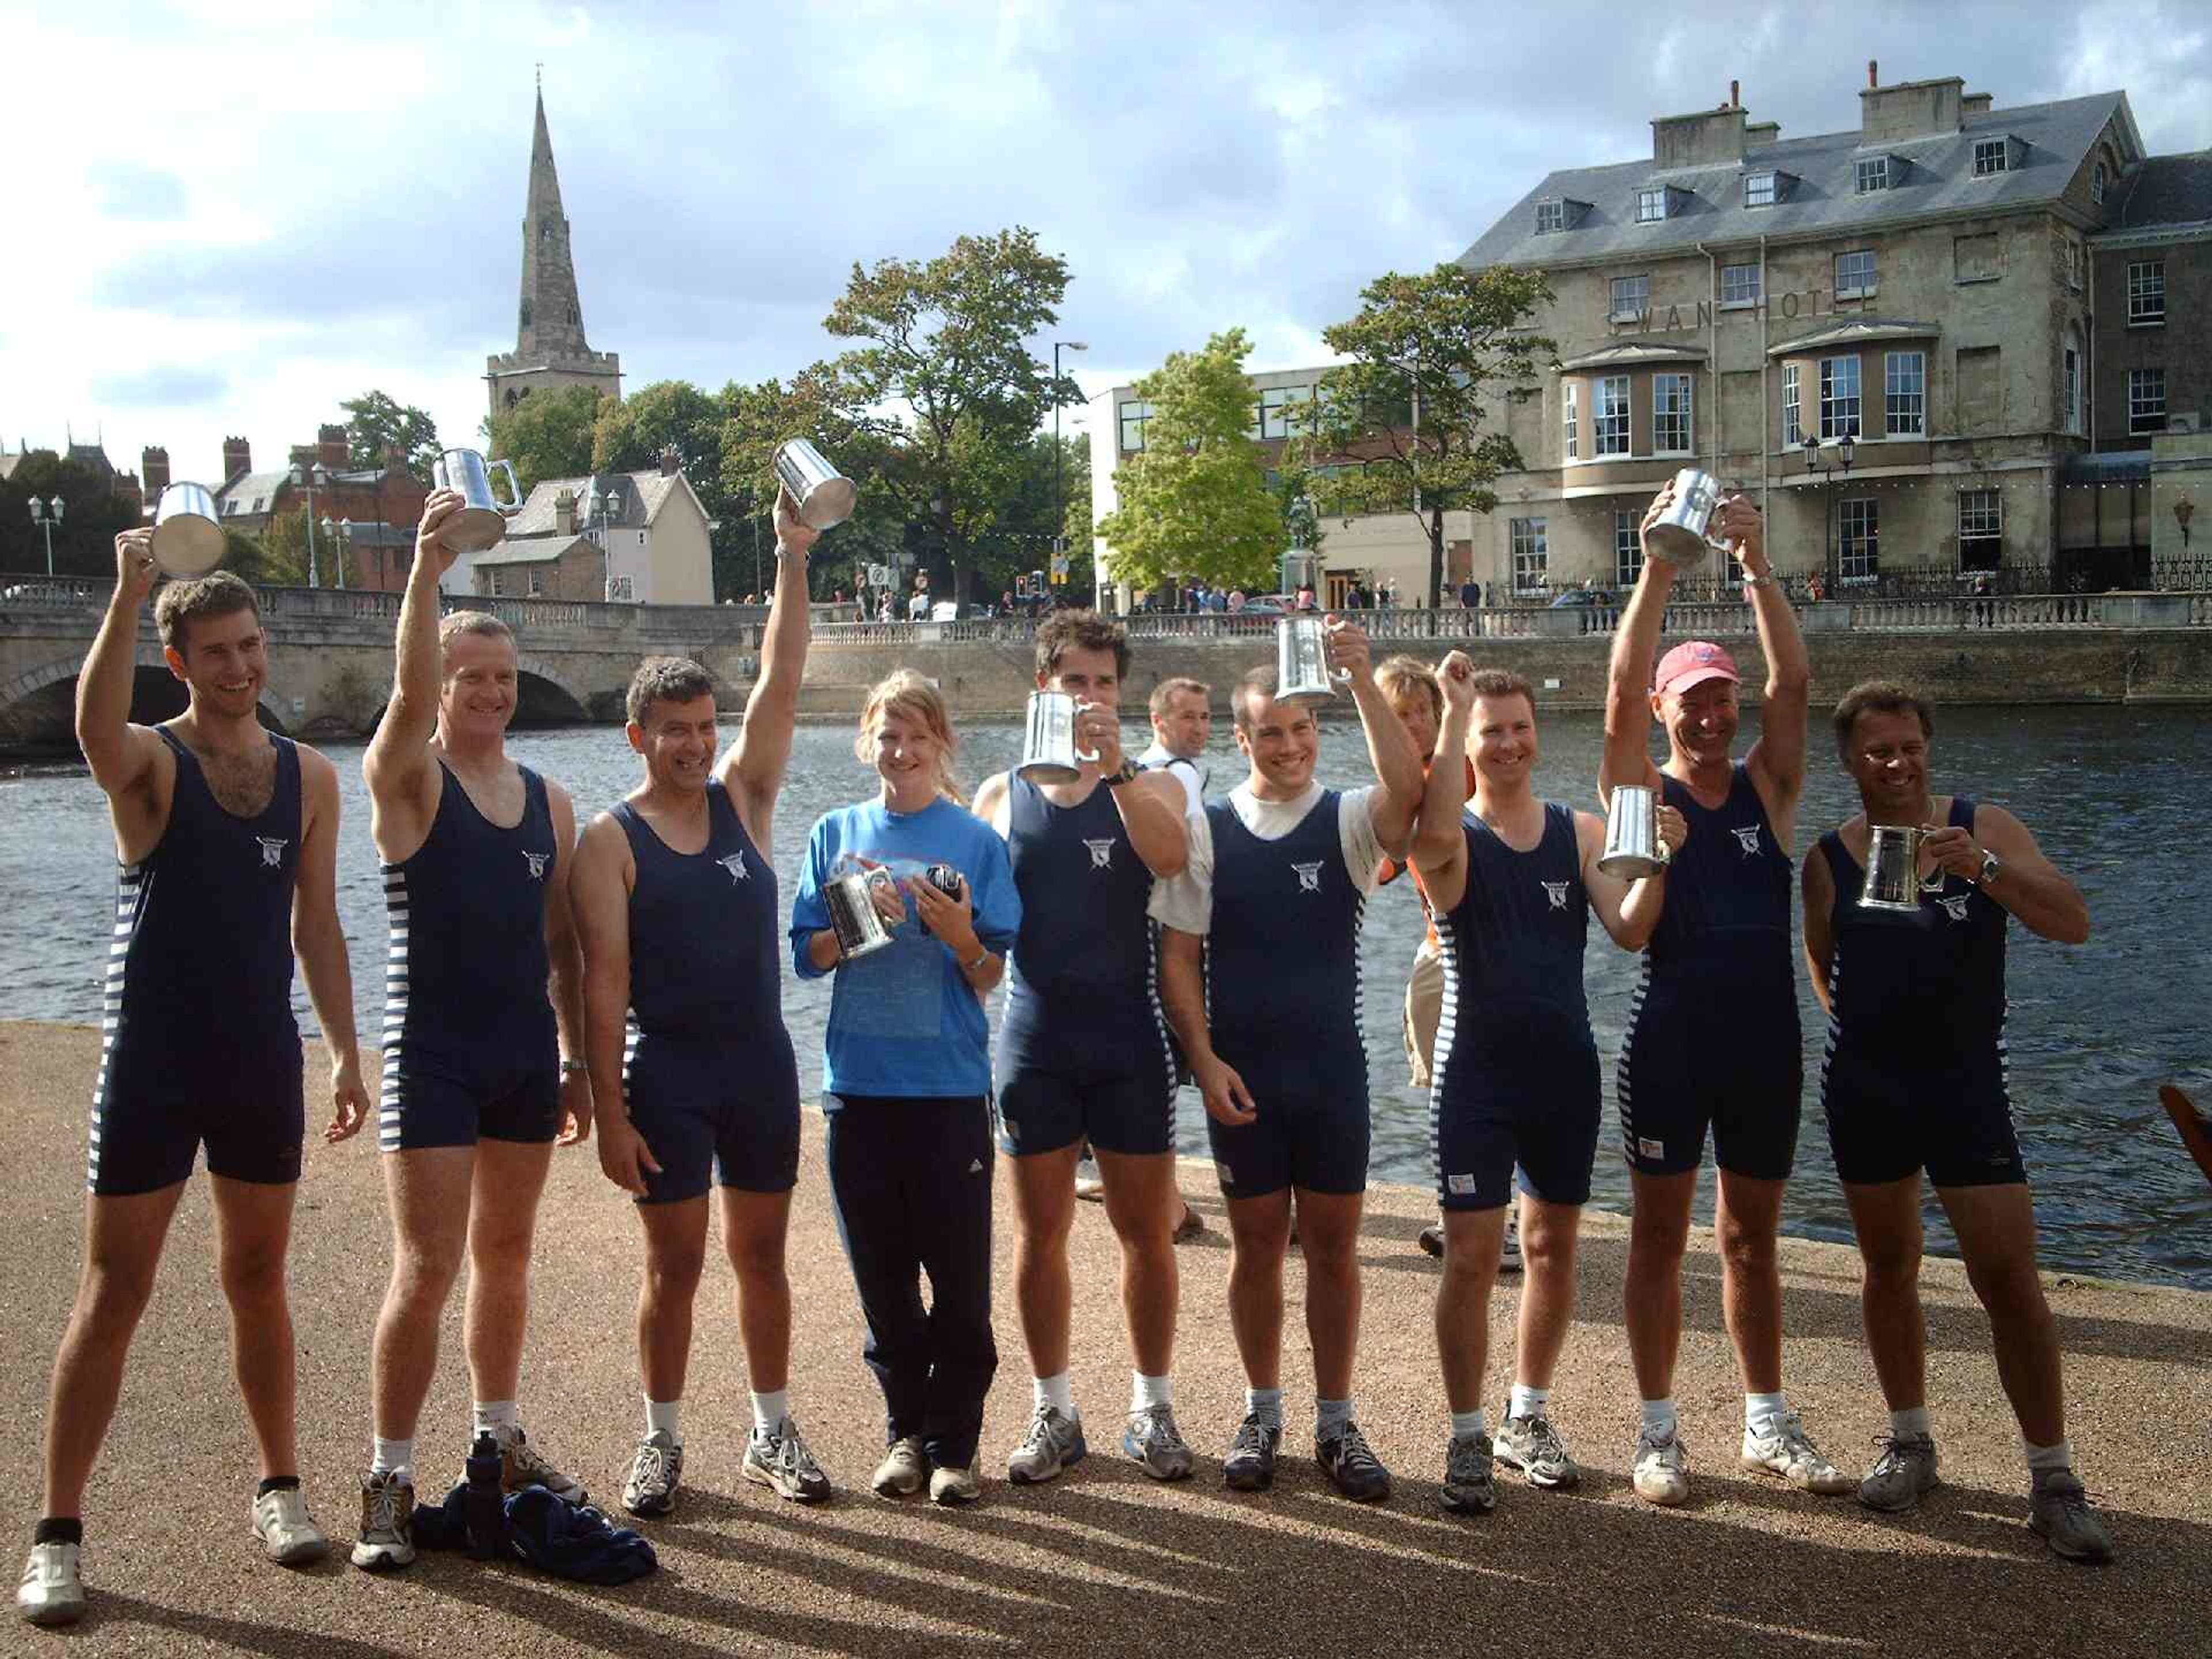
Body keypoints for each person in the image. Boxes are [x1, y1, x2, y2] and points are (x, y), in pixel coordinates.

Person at [17, 548, 370, 1627]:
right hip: (151, 1064)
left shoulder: (308, 774)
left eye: (252, 647)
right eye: (217, 653)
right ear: (175, 661)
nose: (241, 668)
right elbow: (89, 732)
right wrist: (123, 592)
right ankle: (57, 1536)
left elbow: (316, 922)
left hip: (259, 1057)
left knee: (259, 1277)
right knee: (113, 1292)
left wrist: (348, 1050)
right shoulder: (152, 763)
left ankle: (279, 1491)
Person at [1803, 681, 2113, 1563]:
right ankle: (1910, 1442)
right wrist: (1870, 1036)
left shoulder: (1987, 826)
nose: (1896, 764)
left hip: (1965, 1086)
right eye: (1877, 752)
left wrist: (1984, 869)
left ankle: (2053, 1479)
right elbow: (1825, 966)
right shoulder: (1831, 856)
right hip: (1866, 1088)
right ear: (1850, 763)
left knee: (2010, 1280)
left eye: (1909, 747)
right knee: (1889, 1267)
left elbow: (2074, 923)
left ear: (1928, 749)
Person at [569, 490, 827, 1519]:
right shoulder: (607, 841)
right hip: (665, 1075)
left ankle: (772, 1430)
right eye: (672, 731)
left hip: (760, 1067)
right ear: (637, 736)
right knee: (672, 1268)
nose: (690, 744)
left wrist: (791, 555)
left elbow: (785, 674)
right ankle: (662, 1441)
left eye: (701, 727)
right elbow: (602, 986)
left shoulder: (744, 799)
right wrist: (610, 1115)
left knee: (761, 1257)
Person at [353, 489, 594, 1573]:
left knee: (506, 1257)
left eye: (504, 678)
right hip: (431, 1055)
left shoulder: (551, 803)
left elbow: (563, 951)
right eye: (473, 679)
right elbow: (401, 695)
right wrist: (425, 568)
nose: (493, 694)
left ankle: (496, 1442)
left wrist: (581, 1063)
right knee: (427, 1266)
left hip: (519, 1062)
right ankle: (388, 1477)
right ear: (441, 690)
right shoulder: (406, 783)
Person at [1598, 480, 1842, 1507]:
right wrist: (1660, 562)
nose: (1708, 711)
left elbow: (1794, 686)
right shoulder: (1635, 797)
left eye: (1718, 696)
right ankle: (1658, 1435)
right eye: (1688, 698)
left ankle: (1764, 1422)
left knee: (1752, 1241)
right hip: (1669, 1043)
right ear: (1663, 710)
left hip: (1764, 1047)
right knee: (1658, 1239)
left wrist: (1757, 569)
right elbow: (1612, 693)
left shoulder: (1767, 791)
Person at [1153, 623, 1423, 1499]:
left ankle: (1337, 1422)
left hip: (1332, 1073)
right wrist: (1202, 1059)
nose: (1291, 745)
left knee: (1336, 1252)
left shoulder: (1348, 820)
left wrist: (1360, 680)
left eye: (1304, 728)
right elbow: (1178, 959)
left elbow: (1411, 792)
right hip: (1245, 1080)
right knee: (1258, 1248)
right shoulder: (1210, 828)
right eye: (1271, 731)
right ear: (1242, 739)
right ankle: (1263, 1414)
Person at [1411, 656, 1685, 1515]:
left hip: (1564, 1072)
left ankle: (1525, 1416)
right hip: (1475, 1076)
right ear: (1471, 742)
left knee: (1552, 1250)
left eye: (1520, 727)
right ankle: (1465, 1432)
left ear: (1538, 732)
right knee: (1469, 1256)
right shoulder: (1450, 836)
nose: (1509, 743)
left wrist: (1662, 862)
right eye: (1491, 731)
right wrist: (1451, 713)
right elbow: (1425, 833)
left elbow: (1632, 933)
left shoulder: (1581, 833)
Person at [974, 612, 1196, 1486]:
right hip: (1034, 1037)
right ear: (1044, 689)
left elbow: (1172, 857)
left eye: (1105, 683)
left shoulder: (1153, 780)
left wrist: (1120, 769)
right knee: (1040, 1235)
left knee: (1147, 1233)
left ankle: (1152, 1407)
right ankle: (1054, 1408)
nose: (1092, 697)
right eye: (1075, 681)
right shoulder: (1002, 794)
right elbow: (981, 931)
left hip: (1129, 1036)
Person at [789, 672, 1019, 1505]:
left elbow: (990, 974)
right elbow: (805, 959)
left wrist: (958, 933)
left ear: (942, 744)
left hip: (950, 1090)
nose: (903, 750)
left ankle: (956, 1448)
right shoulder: (835, 831)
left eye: (918, 736)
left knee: (959, 1284)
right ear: (867, 741)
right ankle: (904, 1437)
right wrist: (864, 917)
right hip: (859, 1088)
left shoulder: (975, 842)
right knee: (884, 1286)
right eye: (889, 735)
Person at [1368, 657, 1524, 1274]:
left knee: (1490, 1088)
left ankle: (1504, 1220)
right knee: (1444, 1090)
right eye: (1395, 716)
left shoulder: (1463, 766)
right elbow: (1376, 869)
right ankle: (1458, 1207)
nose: (1410, 726)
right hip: (1436, 949)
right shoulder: (1391, 789)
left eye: (1419, 713)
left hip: (1485, 949)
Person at [1139, 676, 1212, 819]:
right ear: (1157, 721)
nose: (1199, 729)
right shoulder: (1181, 773)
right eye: (1188, 717)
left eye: (1204, 717)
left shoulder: (1138, 770)